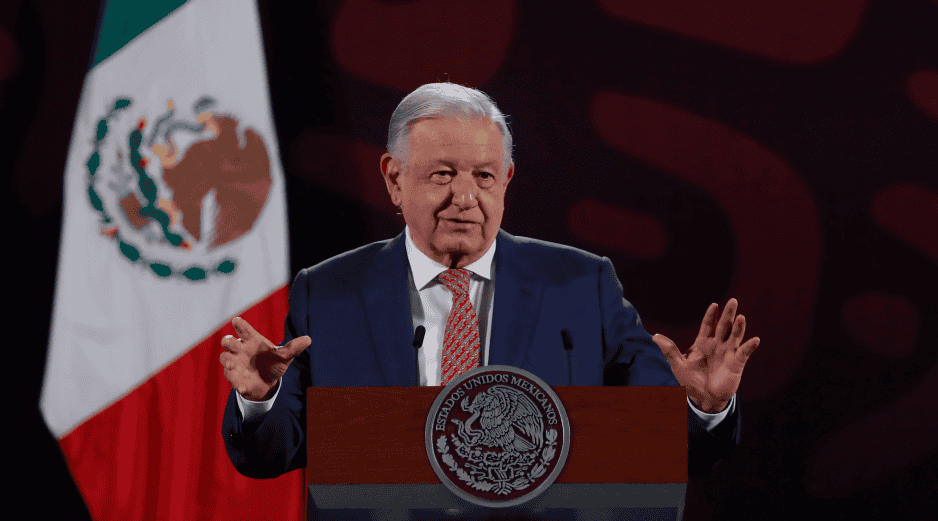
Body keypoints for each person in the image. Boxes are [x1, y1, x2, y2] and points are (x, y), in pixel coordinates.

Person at [220, 83, 759, 482]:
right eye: (442, 174)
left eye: (483, 175)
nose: (465, 197)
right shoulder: (331, 291)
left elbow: (666, 448)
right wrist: (261, 400)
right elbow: (269, 456)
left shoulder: (580, 285)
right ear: (393, 178)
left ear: (506, 180)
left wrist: (702, 409)